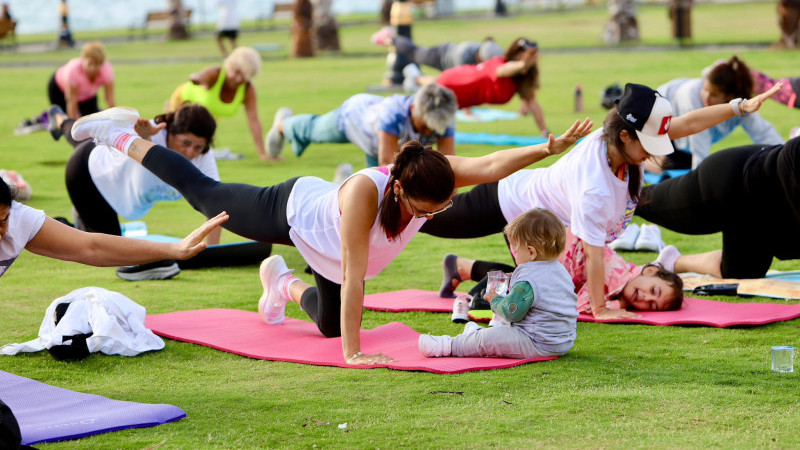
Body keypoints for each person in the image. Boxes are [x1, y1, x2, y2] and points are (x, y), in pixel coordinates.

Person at [68, 105, 593, 364]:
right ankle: (115, 134)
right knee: (203, 191)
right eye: (430, 211)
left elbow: (494, 162)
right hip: (291, 213)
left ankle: (280, 283)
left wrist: (546, 150)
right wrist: (353, 352)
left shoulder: (434, 173)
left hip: (326, 244)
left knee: (322, 323)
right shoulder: (366, 197)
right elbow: (356, 277)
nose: (437, 214)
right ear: (403, 195)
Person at [421, 82, 782, 321]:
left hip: (537, 218)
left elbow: (686, 124)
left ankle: (461, 268)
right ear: (625, 136)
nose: (651, 155)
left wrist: (738, 107)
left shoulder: (619, 139)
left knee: (542, 284)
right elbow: (594, 256)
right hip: (507, 202)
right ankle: (394, 189)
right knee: (429, 217)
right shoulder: (594, 185)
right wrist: (599, 308)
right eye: (647, 146)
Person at [51, 104, 221, 280]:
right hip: (89, 175)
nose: (190, 152)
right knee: (107, 250)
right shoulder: (146, 129)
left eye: (197, 147)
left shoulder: (204, 157)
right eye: (185, 143)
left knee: (80, 136)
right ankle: (69, 222)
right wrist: (145, 138)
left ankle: (58, 118)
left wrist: (212, 254)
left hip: (108, 173)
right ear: (170, 131)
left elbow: (215, 202)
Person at [418, 209, 578, 359]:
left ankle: (448, 345)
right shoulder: (559, 270)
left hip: (536, 342)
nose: (515, 254)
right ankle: (474, 333)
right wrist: (515, 277)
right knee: (501, 332)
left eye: (516, 249)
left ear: (531, 252)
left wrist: (495, 300)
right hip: (562, 341)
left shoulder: (527, 281)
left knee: (488, 340)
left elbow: (511, 312)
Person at [636, 136, 800, 280]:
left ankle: (673, 261)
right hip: (735, 181)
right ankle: (614, 182)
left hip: (767, 218)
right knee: (638, 202)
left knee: (741, 273)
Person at [0, 177, 228, 280]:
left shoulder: (20, 219)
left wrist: (173, 249)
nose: (2, 231)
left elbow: (92, 247)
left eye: (3, 220)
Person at [439, 237, 684, 316]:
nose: (645, 298)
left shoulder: (624, 278)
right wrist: (616, 304)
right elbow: (581, 305)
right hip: (546, 245)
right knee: (523, 287)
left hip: (551, 247)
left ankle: (461, 267)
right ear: (649, 271)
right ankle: (474, 298)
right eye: (653, 290)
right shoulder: (617, 276)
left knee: (522, 280)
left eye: (652, 305)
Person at [265, 83, 458, 167]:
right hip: (354, 118)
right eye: (425, 126)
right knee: (315, 130)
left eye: (434, 130)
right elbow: (387, 163)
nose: (428, 133)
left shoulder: (444, 117)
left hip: (379, 145)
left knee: (379, 197)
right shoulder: (394, 113)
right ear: (415, 108)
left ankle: (342, 185)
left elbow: (449, 164)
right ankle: (283, 125)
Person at [646, 56, 783, 173]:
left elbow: (763, 133)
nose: (706, 96)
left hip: (684, 140)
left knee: (683, 167)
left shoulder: (741, 105)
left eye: (714, 94)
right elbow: (699, 142)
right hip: (656, 119)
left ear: (729, 96)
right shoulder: (690, 95)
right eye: (705, 89)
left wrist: (784, 157)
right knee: (663, 166)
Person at [405, 38, 550, 137]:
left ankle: (415, 78)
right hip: (459, 81)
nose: (525, 60)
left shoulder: (520, 81)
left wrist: (545, 132)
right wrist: (522, 65)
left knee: (435, 85)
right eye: (522, 56)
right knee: (434, 93)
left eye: (528, 58)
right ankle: (416, 78)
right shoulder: (499, 62)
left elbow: (532, 103)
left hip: (463, 93)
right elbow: (503, 70)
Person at [167, 47, 270, 160]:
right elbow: (198, 76)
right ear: (229, 66)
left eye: (245, 75)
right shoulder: (215, 74)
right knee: (174, 140)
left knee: (200, 147)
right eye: (237, 72)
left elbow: (253, 121)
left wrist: (262, 154)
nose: (238, 79)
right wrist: (198, 78)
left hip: (207, 115)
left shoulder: (247, 89)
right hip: (182, 102)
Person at [371, 29, 504, 73]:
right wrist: (467, 111)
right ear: (479, 55)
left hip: (448, 50)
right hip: (439, 56)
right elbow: (460, 80)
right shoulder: (464, 55)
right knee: (414, 52)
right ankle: (391, 38)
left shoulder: (484, 49)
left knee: (415, 51)